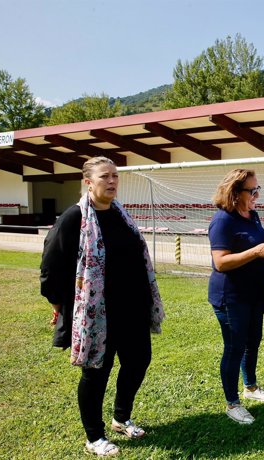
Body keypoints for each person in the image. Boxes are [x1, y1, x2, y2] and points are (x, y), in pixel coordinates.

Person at [40, 156, 165, 457]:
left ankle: (121, 418)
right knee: (97, 372)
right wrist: (61, 306)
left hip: (133, 308)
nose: (111, 182)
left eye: (115, 176)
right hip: (98, 315)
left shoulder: (122, 215)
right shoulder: (74, 218)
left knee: (138, 362)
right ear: (88, 182)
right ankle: (94, 436)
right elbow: (50, 269)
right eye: (104, 177)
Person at [208, 169, 264, 425]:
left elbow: (255, 242)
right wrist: (257, 251)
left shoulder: (252, 215)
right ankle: (232, 404)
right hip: (231, 297)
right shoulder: (222, 221)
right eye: (252, 191)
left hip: (254, 293)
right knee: (234, 348)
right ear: (235, 193)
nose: (257, 195)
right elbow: (221, 262)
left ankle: (250, 387)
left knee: (253, 341)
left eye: (257, 189)